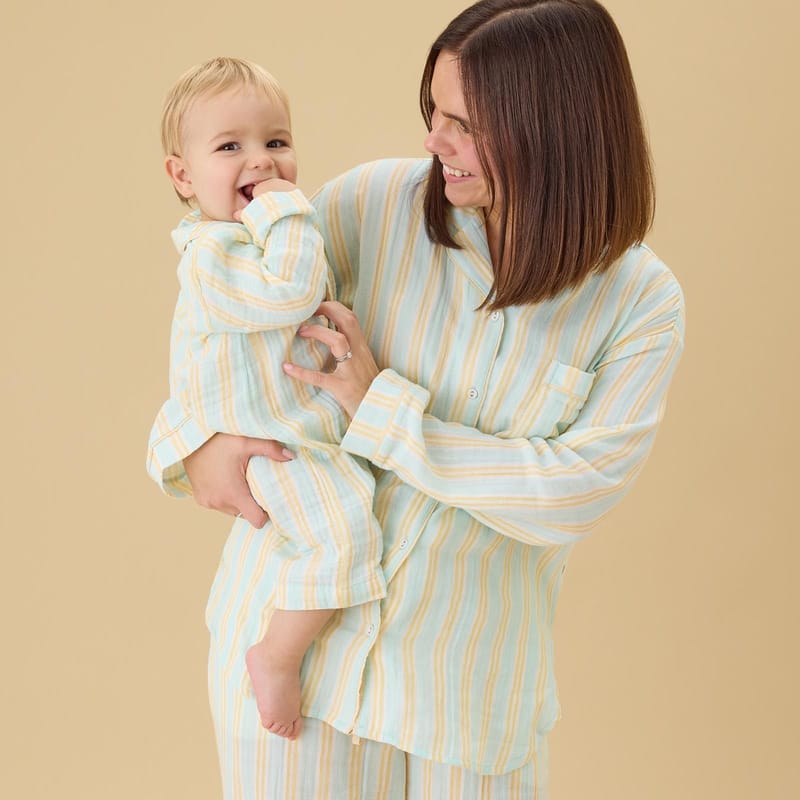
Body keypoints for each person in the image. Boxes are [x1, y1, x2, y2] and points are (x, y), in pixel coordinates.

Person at [147, 1, 685, 796]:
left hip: (466, 701)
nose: (435, 140)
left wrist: (382, 411)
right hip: (295, 666)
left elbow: (569, 493)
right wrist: (189, 444)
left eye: (463, 123)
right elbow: (231, 317)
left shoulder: (640, 304)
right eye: (434, 111)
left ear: (553, 129)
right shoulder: (371, 205)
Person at [150, 57, 386, 741]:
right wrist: (286, 208)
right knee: (344, 539)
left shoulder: (263, 241)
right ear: (184, 177)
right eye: (231, 147)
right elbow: (287, 292)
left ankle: (284, 649)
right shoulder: (211, 252)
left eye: (276, 142)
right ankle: (276, 657)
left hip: (301, 432)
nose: (262, 161)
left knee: (346, 531)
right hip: (270, 442)